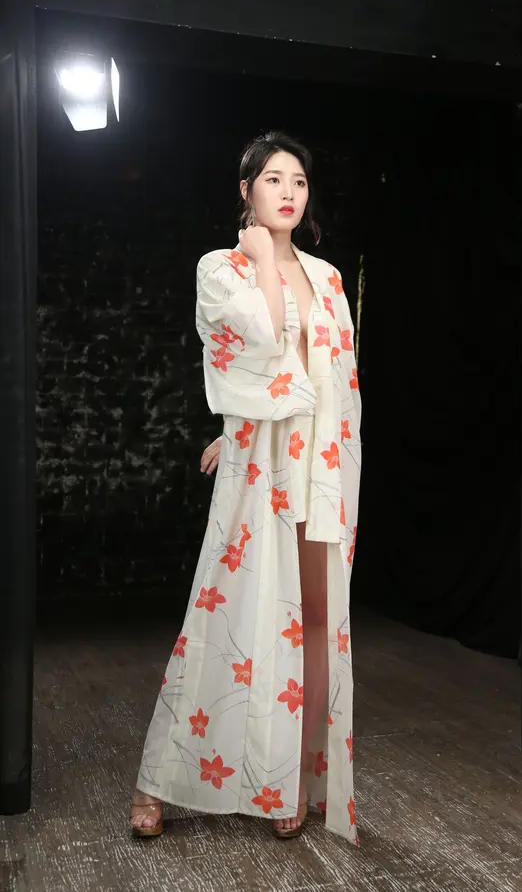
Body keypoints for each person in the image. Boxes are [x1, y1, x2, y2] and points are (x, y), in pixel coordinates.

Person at [129, 131, 361, 844]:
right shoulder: (221, 268)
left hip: (321, 463)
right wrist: (261, 261)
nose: (288, 192)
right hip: (261, 467)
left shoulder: (327, 277)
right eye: (273, 179)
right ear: (246, 190)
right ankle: (157, 779)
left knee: (314, 622)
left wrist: (250, 423)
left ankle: (289, 780)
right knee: (228, 608)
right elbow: (256, 347)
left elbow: (333, 380)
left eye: (299, 181)